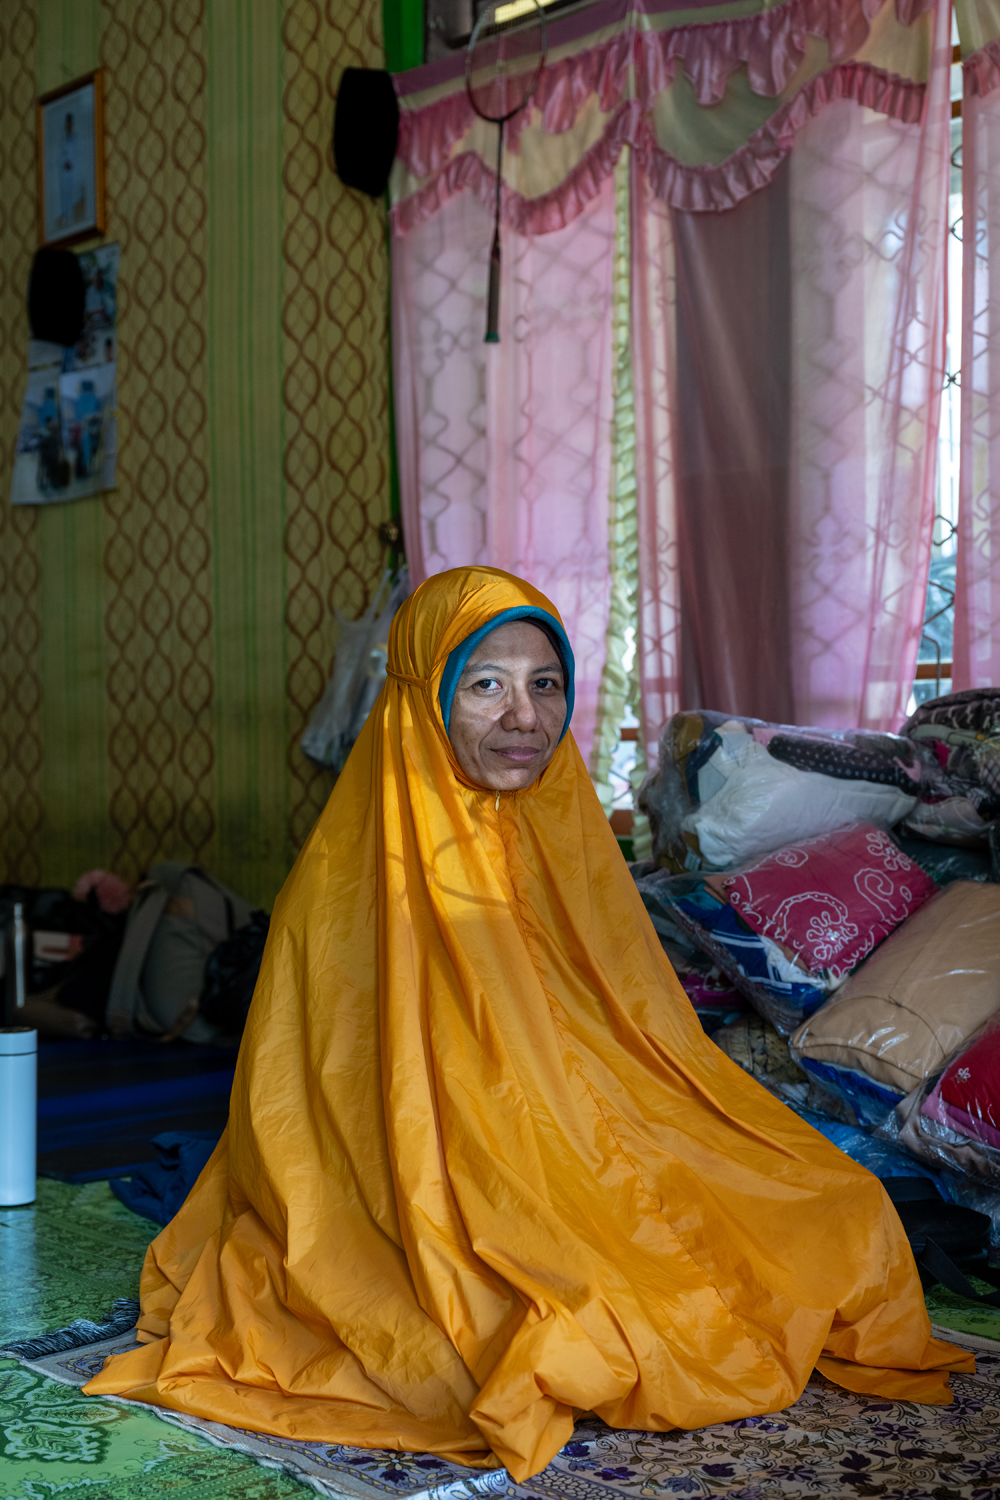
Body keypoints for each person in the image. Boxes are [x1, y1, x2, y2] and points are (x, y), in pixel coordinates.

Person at [84, 566, 972, 1479]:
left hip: (593, 1131)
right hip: (457, 1158)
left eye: (544, 685)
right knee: (559, 1310)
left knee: (837, 1211)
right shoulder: (355, 882)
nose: (524, 719)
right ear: (422, 700)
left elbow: (637, 1034)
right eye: (485, 686)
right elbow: (356, 1104)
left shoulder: (566, 834)